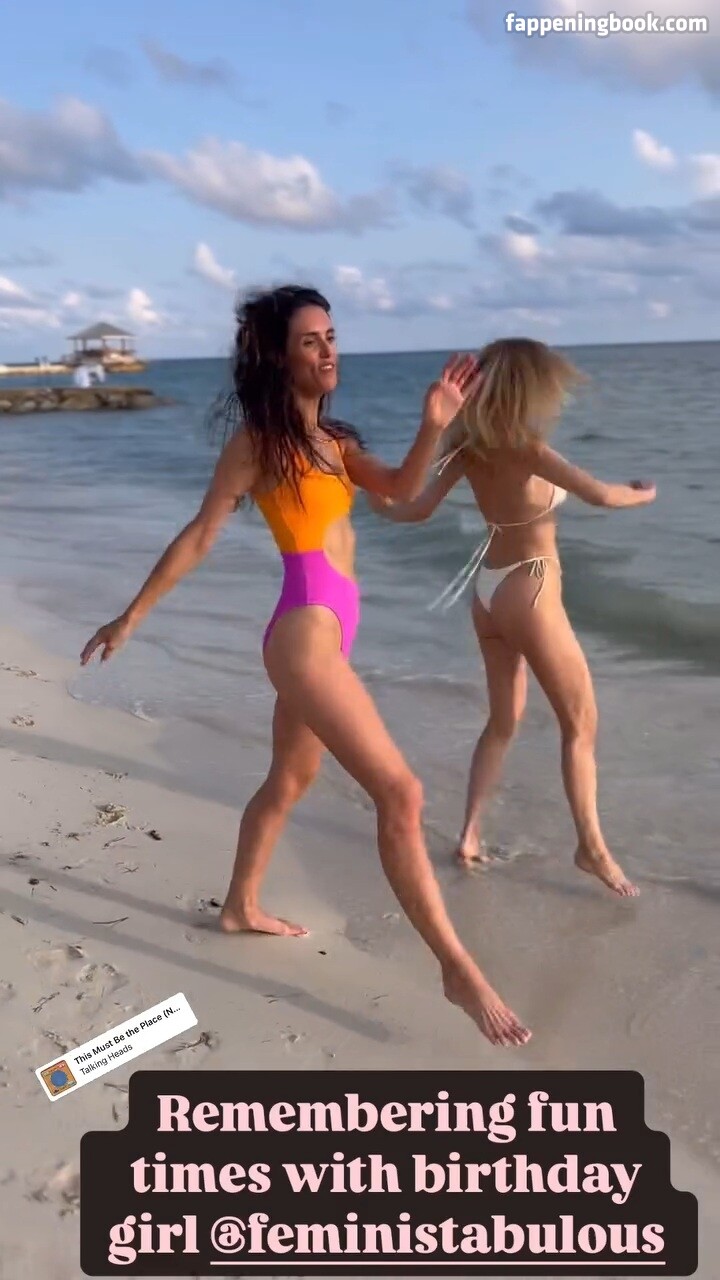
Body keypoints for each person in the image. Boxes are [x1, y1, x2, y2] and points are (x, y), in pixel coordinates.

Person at [80, 285, 531, 1049]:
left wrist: (435, 424)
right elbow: (201, 534)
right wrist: (131, 615)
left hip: (332, 631)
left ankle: (239, 907)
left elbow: (402, 490)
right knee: (402, 792)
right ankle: (457, 969)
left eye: (331, 336)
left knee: (289, 780)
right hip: (303, 635)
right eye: (310, 341)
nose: (328, 351)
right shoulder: (259, 444)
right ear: (277, 357)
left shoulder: (335, 441)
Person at [369, 337, 656, 898]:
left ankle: (470, 834)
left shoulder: (469, 450)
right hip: (532, 586)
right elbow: (601, 496)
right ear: (529, 390)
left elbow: (415, 510)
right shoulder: (527, 449)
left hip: (488, 592)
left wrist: (377, 498)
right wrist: (642, 494)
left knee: (503, 721)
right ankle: (591, 847)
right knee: (580, 724)